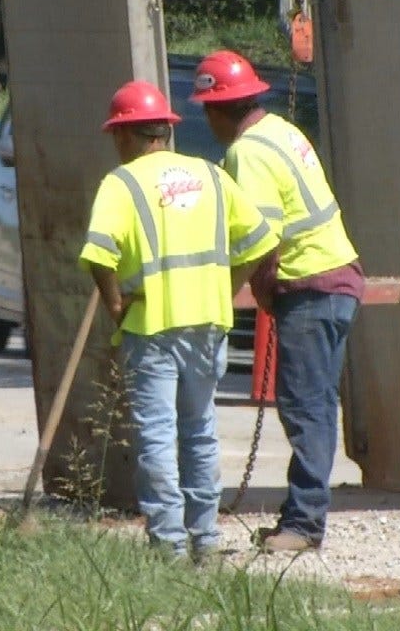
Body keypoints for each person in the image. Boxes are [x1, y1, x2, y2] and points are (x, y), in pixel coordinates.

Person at [79, 80, 278, 561]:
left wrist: (113, 305)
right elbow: (261, 240)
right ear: (164, 131)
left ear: (126, 135)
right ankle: (205, 540)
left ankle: (168, 543)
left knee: (156, 436)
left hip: (152, 327)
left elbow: (99, 255)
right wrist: (226, 287)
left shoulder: (122, 184)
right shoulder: (210, 175)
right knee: (200, 431)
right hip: (208, 324)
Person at [191, 49, 364, 552]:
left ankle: (305, 524)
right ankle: (303, 516)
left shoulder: (247, 153)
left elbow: (259, 239)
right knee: (313, 405)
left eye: (206, 107)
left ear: (218, 109)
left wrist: (230, 293)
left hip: (310, 284)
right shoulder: (284, 130)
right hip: (336, 278)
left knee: (305, 406)